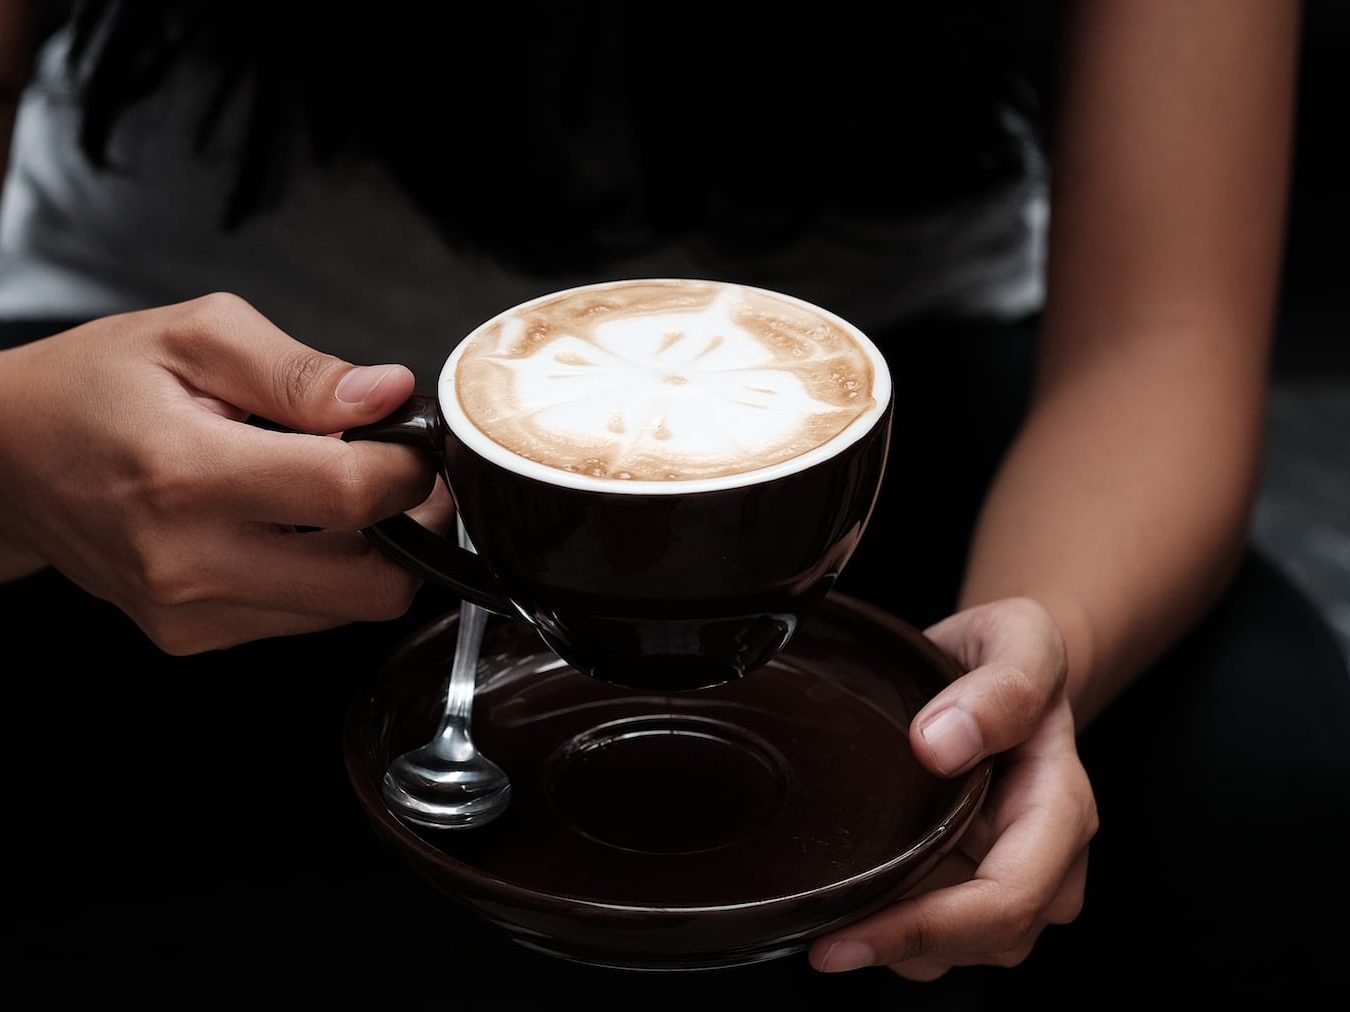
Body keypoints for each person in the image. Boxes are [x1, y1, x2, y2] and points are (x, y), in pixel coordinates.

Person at [2, 1, 1346, 1002]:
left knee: (1274, 781)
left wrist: (1039, 648)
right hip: (153, 410)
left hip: (856, 433)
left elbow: (1157, 336)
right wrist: (13, 466)